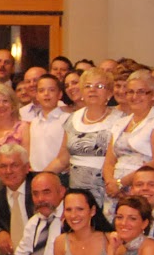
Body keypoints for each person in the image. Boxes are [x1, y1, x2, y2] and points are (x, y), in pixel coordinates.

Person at [47, 69, 126, 210]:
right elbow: (62, 159)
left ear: (109, 93)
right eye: (88, 86)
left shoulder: (121, 119)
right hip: (77, 191)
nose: (92, 90)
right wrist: (41, 176)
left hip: (108, 190)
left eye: (99, 86)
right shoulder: (73, 118)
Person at [101, 69, 154, 210]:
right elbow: (109, 161)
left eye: (141, 92)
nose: (135, 96)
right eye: (130, 92)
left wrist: (121, 183)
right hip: (115, 192)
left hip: (144, 189)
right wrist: (111, 183)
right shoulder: (120, 122)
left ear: (152, 95)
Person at [22, 73, 70, 172]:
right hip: (35, 174)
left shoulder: (67, 120)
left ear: (60, 94)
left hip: (59, 174)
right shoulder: (34, 122)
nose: (46, 94)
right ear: (37, 95)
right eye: (41, 90)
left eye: (51, 90)